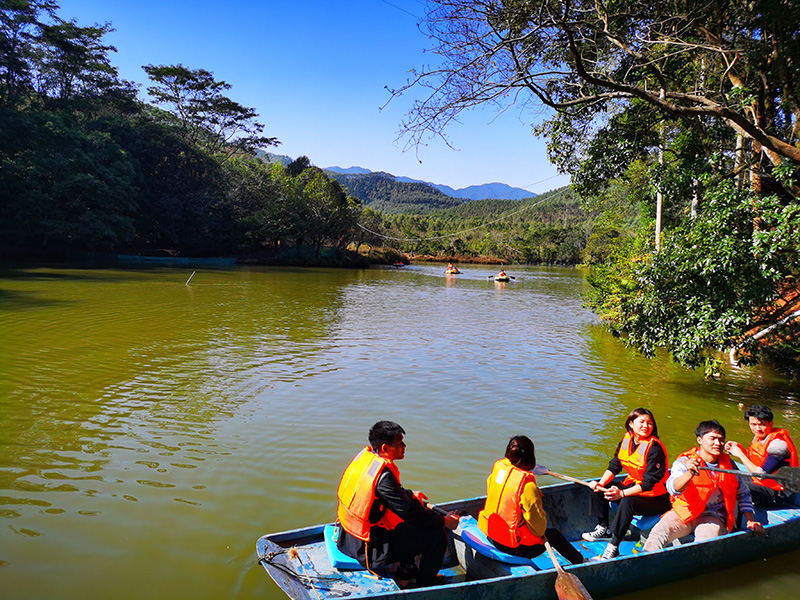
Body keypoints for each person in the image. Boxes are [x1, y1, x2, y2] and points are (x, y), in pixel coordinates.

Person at [336, 421, 459, 587]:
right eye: (400, 443)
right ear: (386, 448)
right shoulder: (384, 477)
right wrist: (445, 521)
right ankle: (425, 585)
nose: (404, 446)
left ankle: (405, 572)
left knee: (412, 516)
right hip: (367, 549)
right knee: (437, 536)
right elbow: (410, 512)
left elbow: (388, 495)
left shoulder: (367, 459)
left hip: (347, 538)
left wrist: (410, 495)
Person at [642, 420, 764, 552]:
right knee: (659, 533)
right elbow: (672, 488)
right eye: (713, 438)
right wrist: (689, 474)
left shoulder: (730, 465)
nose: (718, 443)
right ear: (699, 440)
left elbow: (743, 493)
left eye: (721, 440)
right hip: (686, 511)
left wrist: (750, 520)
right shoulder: (685, 461)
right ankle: (645, 557)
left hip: (713, 516)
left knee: (704, 545)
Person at [477, 435, 584, 564]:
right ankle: (581, 561)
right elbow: (539, 529)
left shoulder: (498, 471)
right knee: (554, 535)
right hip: (513, 546)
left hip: (491, 536)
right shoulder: (528, 487)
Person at [582, 408, 670, 560]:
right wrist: (600, 483)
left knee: (627, 502)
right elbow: (615, 465)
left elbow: (648, 484)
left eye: (649, 423)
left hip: (658, 498)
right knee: (599, 488)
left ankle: (614, 546)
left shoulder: (655, 449)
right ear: (631, 423)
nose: (646, 426)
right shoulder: (627, 440)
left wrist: (621, 494)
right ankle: (604, 529)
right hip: (636, 487)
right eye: (641, 422)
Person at [725, 404, 799, 507]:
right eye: (753, 424)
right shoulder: (760, 437)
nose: (757, 428)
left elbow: (761, 475)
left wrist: (740, 455)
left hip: (776, 493)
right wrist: (738, 448)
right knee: (724, 464)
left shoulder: (778, 445)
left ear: (771, 424)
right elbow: (755, 460)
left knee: (734, 486)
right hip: (758, 482)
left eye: (762, 424)